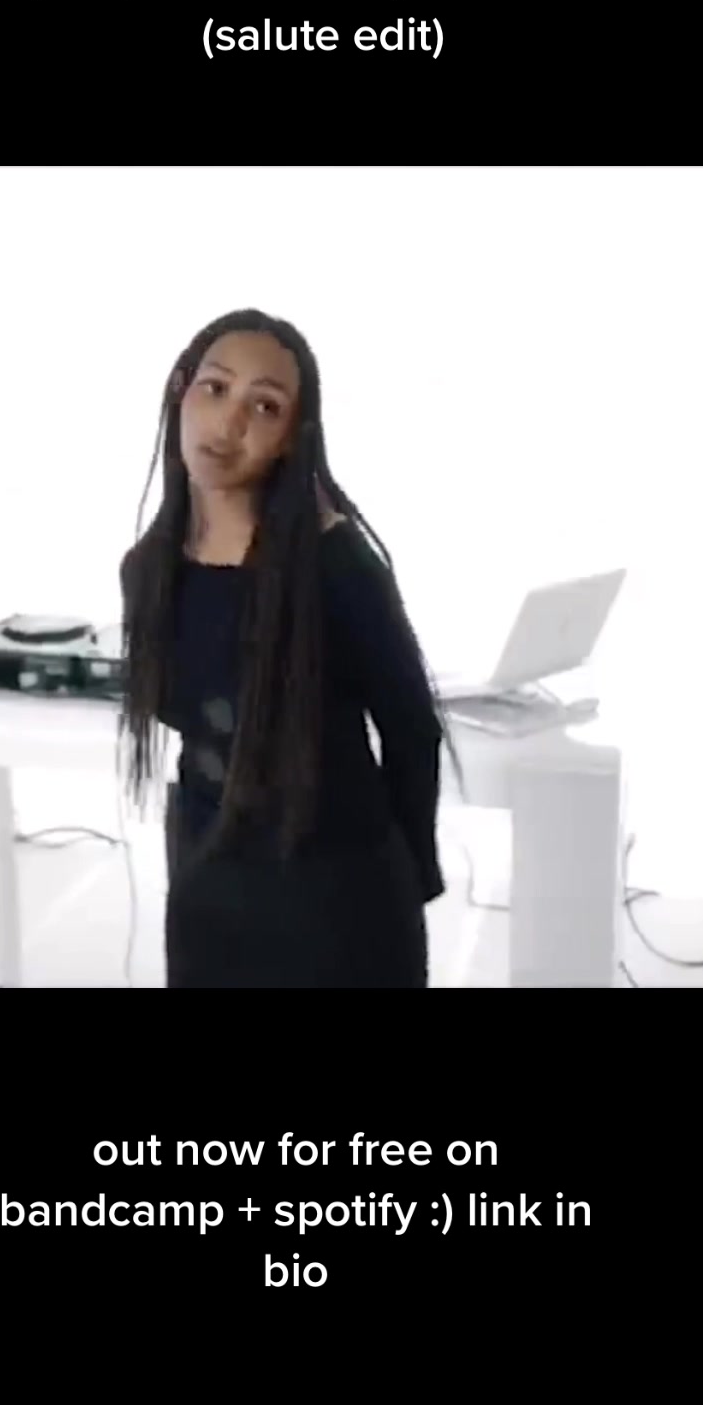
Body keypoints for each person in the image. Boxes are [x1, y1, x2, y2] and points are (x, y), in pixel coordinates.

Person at [119, 308, 457, 988]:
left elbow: (412, 729)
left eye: (264, 406)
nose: (230, 421)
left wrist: (410, 874)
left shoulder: (337, 564)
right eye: (216, 388)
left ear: (290, 438)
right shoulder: (148, 570)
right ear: (180, 390)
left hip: (340, 900)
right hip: (210, 899)